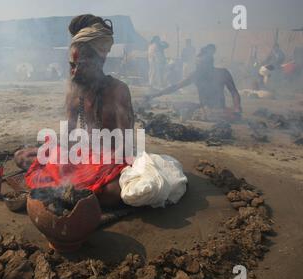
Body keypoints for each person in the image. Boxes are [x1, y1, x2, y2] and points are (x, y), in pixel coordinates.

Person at [15, 14, 134, 207]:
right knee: (21, 156)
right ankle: (75, 192)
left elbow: (126, 145)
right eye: (72, 65)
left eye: (82, 65)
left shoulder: (118, 90)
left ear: (99, 63)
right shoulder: (73, 89)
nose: (75, 72)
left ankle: (70, 192)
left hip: (110, 159)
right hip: (80, 154)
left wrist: (99, 168)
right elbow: (69, 135)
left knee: (114, 192)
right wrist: (62, 158)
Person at [147, 44, 242, 120]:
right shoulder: (196, 74)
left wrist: (237, 107)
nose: (198, 66)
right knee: (177, 105)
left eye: (200, 64)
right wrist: (156, 94)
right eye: (197, 64)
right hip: (203, 108)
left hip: (219, 109)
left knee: (228, 115)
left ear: (209, 64)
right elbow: (175, 87)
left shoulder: (223, 73)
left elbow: (234, 92)